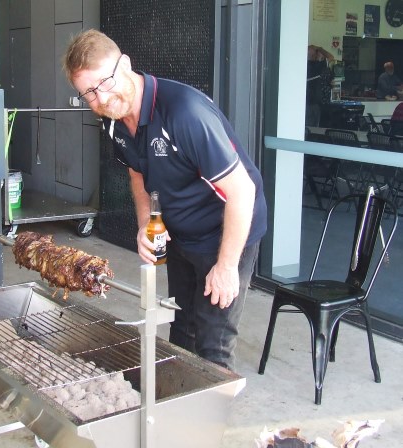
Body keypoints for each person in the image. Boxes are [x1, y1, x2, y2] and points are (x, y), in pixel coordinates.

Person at [63, 29, 267, 372]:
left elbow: (242, 192)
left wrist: (227, 266)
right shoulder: (113, 124)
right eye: (88, 93)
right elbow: (138, 175)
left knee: (213, 343)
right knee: (182, 328)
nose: (101, 99)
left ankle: (207, 423)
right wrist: (146, 224)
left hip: (227, 230)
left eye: (105, 82)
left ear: (125, 64)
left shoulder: (185, 113)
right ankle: (177, 412)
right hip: (182, 233)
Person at [306, 45, 334, 127]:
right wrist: (320, 48)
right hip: (313, 104)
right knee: (313, 129)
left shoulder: (304, 65)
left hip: (310, 103)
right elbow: (331, 57)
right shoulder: (317, 66)